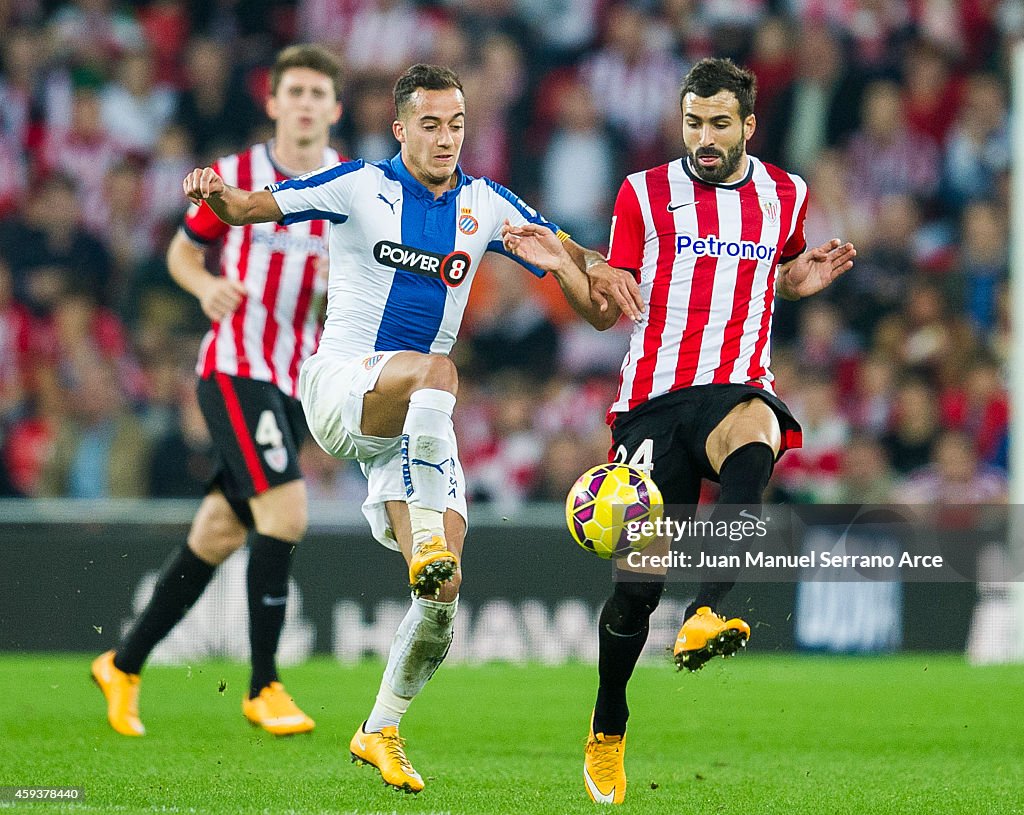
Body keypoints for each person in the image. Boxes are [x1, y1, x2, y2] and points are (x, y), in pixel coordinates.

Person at [181, 63, 636, 794]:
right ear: (400, 128)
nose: (446, 137)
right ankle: (423, 538)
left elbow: (594, 305)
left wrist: (590, 268)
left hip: (410, 424)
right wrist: (214, 190)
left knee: (443, 589)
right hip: (342, 388)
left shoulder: (485, 203)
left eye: (457, 124)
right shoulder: (358, 185)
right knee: (440, 371)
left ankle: (380, 727)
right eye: (430, 123)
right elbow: (247, 208)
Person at [503, 57, 856, 805]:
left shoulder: (785, 194)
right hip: (653, 402)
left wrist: (803, 279)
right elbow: (608, 307)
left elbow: (779, 270)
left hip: (737, 383)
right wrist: (582, 275)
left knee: (757, 440)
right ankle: (608, 722)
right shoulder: (644, 194)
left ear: (748, 126)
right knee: (636, 588)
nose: (703, 136)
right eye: (692, 121)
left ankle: (706, 612)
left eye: (719, 123)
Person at [91, 44, 345, 738]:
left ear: (335, 108)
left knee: (218, 529)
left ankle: (124, 661)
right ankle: (263, 684)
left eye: (317, 93)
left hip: (294, 382)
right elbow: (181, 248)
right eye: (292, 89)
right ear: (271, 102)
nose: (303, 103)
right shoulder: (236, 177)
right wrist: (205, 286)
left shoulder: (346, 189)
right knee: (287, 510)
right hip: (235, 367)